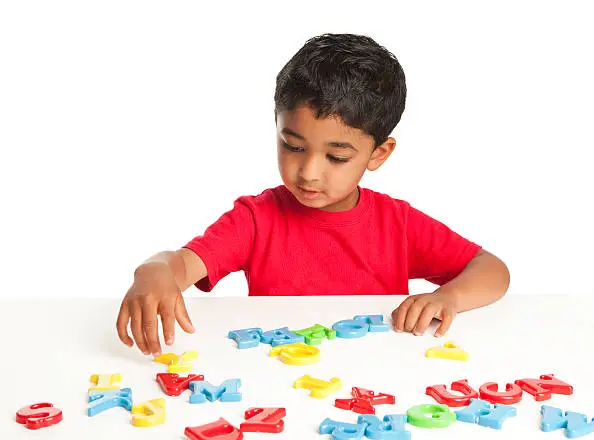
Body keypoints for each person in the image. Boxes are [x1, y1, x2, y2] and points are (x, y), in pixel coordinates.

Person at [116, 33, 510, 357]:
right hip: (281, 382)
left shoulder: (397, 224)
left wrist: (449, 298)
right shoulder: (256, 219)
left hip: (379, 382)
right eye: (293, 146)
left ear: (379, 154)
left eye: (336, 156)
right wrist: (154, 270)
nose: (308, 172)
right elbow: (183, 265)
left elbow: (492, 270)